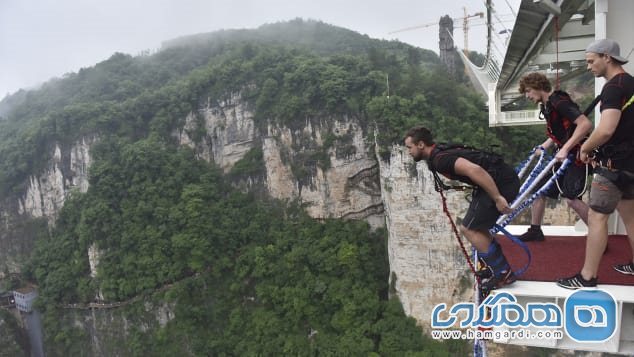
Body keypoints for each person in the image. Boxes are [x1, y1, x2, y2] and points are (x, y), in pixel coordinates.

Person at [404, 126, 520, 292]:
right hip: (499, 178)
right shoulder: (439, 151)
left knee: (468, 229)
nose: (409, 152)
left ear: (421, 144)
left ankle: (503, 272)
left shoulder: (440, 159)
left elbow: (475, 170)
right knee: (477, 226)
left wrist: (497, 198)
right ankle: (496, 267)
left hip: (500, 184)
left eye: (410, 147)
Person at [557, 38, 634, 289]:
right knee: (631, 217)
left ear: (606, 57)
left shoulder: (613, 88)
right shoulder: (631, 83)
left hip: (613, 165)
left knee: (597, 217)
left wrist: (586, 148)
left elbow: (607, 128)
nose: (589, 66)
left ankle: (587, 276)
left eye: (591, 61)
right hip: (631, 164)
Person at [517, 72, 594, 242]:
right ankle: (535, 230)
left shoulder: (559, 102)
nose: (527, 96)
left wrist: (565, 148)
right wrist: (545, 146)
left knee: (571, 198)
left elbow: (585, 125)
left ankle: (598, 237)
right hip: (564, 153)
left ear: (538, 87)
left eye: (528, 91)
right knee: (539, 189)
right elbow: (560, 132)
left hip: (577, 154)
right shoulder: (547, 105)